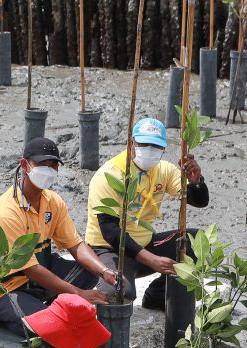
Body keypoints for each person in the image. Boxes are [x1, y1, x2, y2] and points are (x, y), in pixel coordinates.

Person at [0, 138, 116, 336]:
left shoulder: (53, 202)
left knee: (90, 269)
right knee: (51, 327)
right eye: (42, 164)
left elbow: (75, 244)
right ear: (25, 165)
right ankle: (5, 317)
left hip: (36, 278)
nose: (48, 170)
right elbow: (31, 269)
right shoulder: (6, 212)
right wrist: (78, 293)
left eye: (53, 166)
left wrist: (105, 271)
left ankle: (47, 308)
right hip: (5, 287)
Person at [86, 117, 209, 310]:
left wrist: (196, 182)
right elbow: (110, 231)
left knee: (198, 242)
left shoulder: (163, 170)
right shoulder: (110, 175)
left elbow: (199, 201)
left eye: (156, 147)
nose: (150, 151)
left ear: (163, 149)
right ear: (131, 142)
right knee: (120, 294)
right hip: (109, 249)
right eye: (144, 144)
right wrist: (152, 260)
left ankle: (156, 296)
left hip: (143, 244)